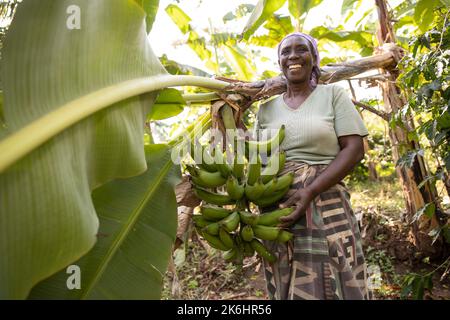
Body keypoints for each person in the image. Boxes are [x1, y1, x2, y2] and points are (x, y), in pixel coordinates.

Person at [254, 32, 372, 300]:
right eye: (285, 52)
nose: (293, 56)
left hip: (326, 200)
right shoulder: (265, 109)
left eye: (301, 50)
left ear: (314, 59)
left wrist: (311, 190)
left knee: (338, 271)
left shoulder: (332, 95)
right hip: (279, 207)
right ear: (279, 62)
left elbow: (354, 149)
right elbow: (257, 160)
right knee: (285, 272)